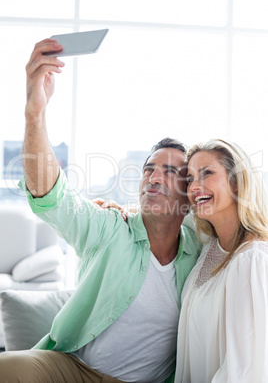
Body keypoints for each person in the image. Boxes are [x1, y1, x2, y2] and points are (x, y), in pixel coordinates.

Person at [0, 39, 201, 382]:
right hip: (74, 369)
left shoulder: (200, 249)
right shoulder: (110, 228)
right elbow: (52, 195)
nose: (154, 177)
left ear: (189, 196)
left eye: (170, 172)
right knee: (9, 366)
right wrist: (36, 112)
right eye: (150, 168)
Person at [174, 139, 268, 382]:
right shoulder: (208, 245)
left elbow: (243, 371)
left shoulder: (252, 259)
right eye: (191, 179)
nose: (195, 186)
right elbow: (162, 220)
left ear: (237, 183)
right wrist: (118, 212)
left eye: (207, 173)